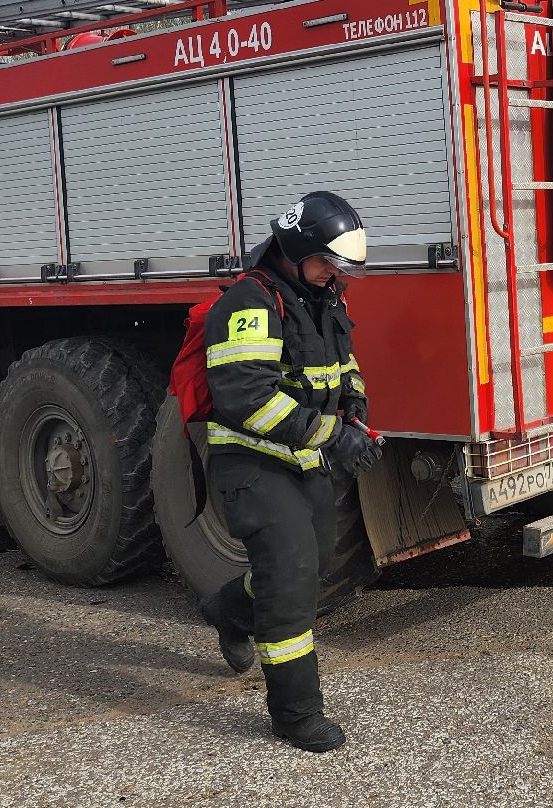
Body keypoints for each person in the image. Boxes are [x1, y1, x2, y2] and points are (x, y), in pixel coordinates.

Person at [196, 191, 381, 753]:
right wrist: (333, 435)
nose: (334, 274)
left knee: (314, 562)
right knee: (292, 580)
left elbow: (344, 367)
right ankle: (296, 715)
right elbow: (247, 400)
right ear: (296, 250)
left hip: (301, 460)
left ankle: (230, 609)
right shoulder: (250, 306)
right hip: (249, 463)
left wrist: (354, 409)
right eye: (327, 261)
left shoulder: (321, 298)